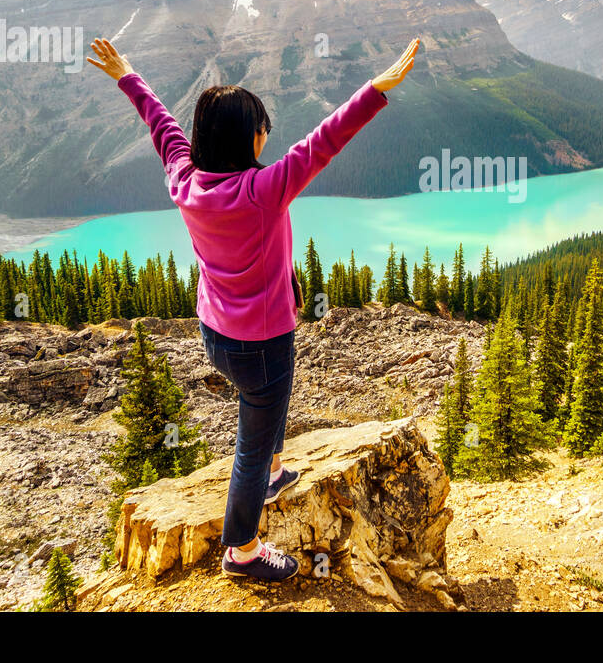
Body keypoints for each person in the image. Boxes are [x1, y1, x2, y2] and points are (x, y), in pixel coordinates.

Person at [87, 36, 418, 581]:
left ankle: (270, 468)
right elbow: (325, 140)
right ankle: (241, 549)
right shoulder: (264, 189)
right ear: (246, 138)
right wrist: (376, 88)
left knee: (263, 417)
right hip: (263, 344)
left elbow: (162, 126)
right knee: (251, 442)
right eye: (261, 125)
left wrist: (128, 75)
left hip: (215, 335)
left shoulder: (184, 180)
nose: (269, 133)